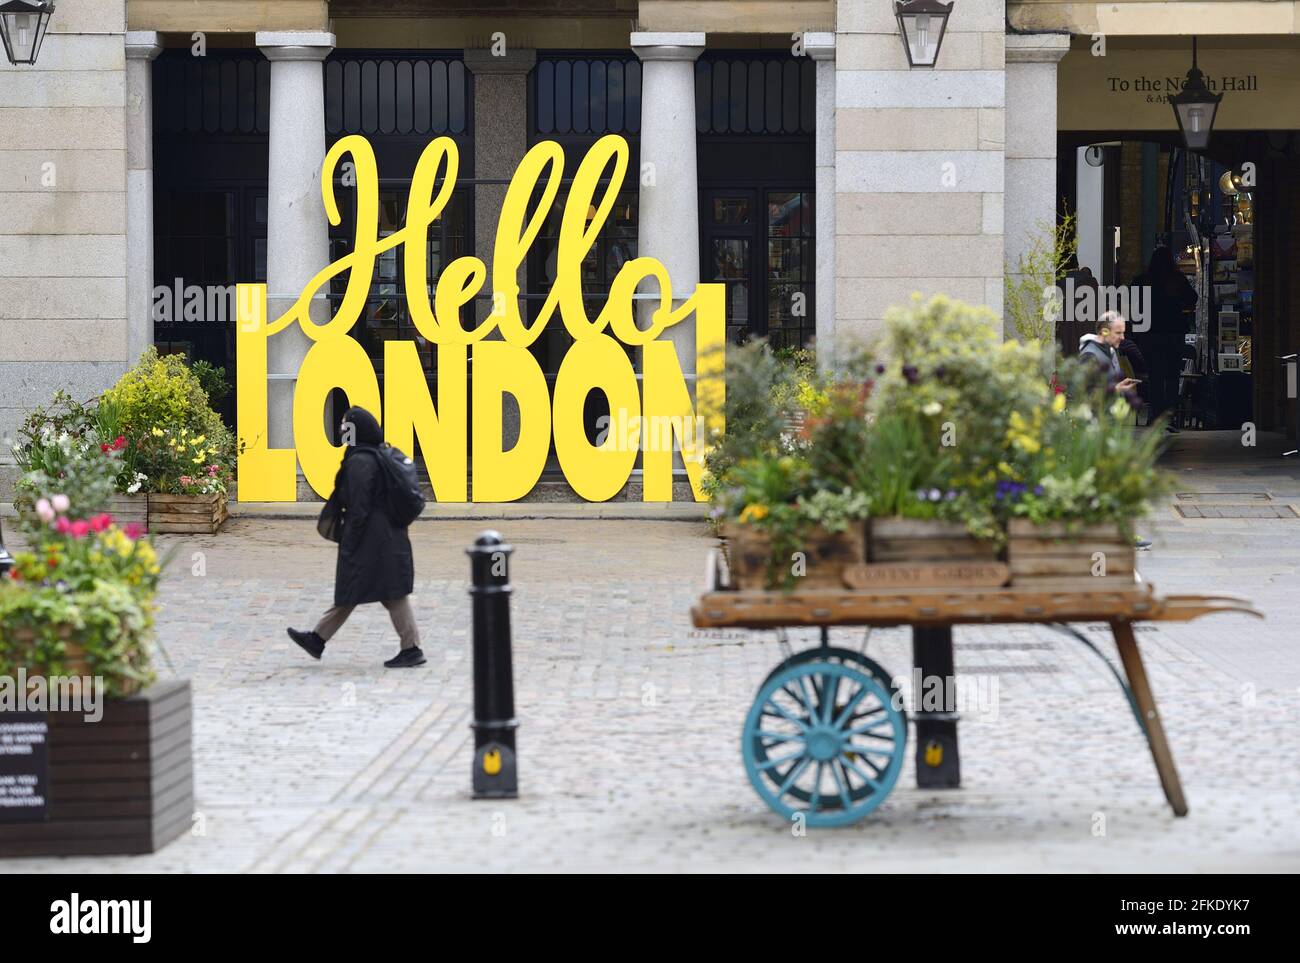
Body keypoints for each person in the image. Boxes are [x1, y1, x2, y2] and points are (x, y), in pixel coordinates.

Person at [287, 407, 426, 668]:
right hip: (387, 538)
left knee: (371, 590)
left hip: (372, 540)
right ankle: (318, 639)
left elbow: (359, 507)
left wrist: (349, 541)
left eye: (345, 425)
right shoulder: (376, 454)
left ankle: (411, 649)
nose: (342, 430)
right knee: (377, 591)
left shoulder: (361, 461)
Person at [1132, 246, 1197, 428]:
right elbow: (1193, 298)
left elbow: (1132, 301)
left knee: (1155, 377)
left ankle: (1156, 415)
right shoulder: (1177, 280)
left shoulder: (1143, 280)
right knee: (1172, 377)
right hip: (1173, 334)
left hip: (1151, 335)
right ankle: (1170, 416)